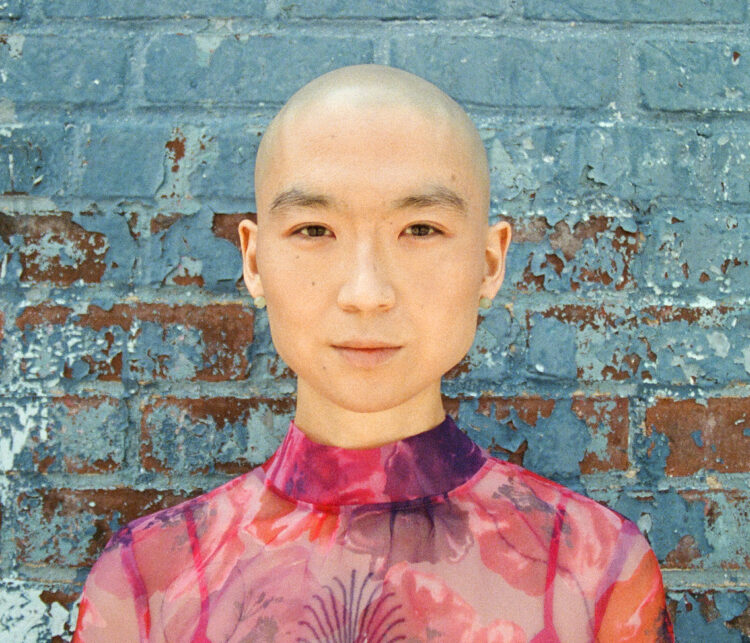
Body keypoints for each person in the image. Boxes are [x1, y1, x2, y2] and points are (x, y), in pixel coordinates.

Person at [73, 65, 673, 642]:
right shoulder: (146, 580)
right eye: (313, 230)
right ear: (254, 262)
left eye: (420, 230)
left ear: (489, 262)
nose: (366, 294)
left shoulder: (597, 572)